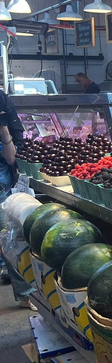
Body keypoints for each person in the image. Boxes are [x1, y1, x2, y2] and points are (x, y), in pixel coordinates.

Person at [0, 91, 36, 310]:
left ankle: (25, 293)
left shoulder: (1, 100)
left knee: (8, 233)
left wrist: (3, 129)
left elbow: (12, 155)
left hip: (2, 179)